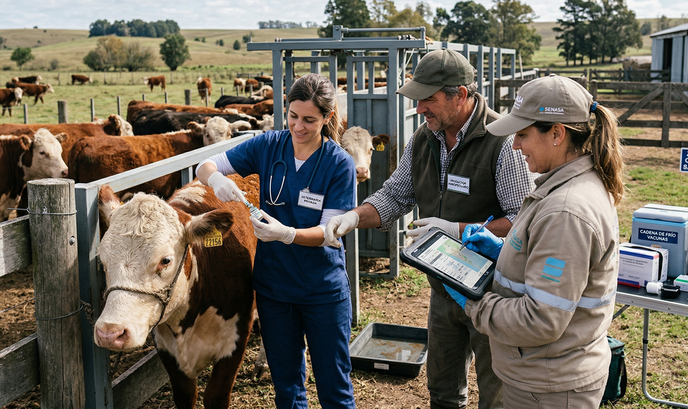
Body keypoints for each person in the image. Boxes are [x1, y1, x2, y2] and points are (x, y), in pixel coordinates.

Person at [325, 48, 535, 409]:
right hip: (445, 288)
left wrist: (458, 229)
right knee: (442, 389)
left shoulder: (503, 143)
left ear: (462, 96)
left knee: (496, 394)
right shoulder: (424, 139)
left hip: (494, 291)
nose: (420, 108)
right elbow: (395, 194)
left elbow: (524, 221)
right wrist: (356, 217)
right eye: (417, 99)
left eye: (428, 100)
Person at [448, 74, 623, 408]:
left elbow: (540, 320)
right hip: (545, 374)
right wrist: (505, 254)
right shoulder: (563, 187)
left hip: (549, 387)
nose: (515, 145)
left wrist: (475, 303)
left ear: (557, 133)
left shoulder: (566, 211)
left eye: (523, 134)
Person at [196, 73, 357, 409]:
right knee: (287, 388)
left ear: (327, 118)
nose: (298, 127)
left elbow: (330, 234)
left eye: (310, 120)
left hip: (322, 290)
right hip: (274, 289)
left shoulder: (339, 164)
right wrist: (215, 179)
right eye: (293, 116)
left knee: (334, 388)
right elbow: (205, 164)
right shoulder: (269, 145)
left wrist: (287, 234)